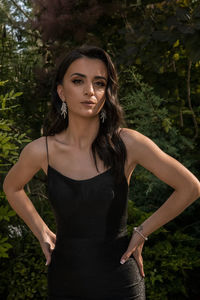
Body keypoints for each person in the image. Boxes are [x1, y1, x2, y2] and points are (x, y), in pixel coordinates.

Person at [3, 45, 200, 300]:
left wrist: (142, 232)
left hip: (120, 284)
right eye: (78, 81)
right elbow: (11, 186)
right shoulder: (41, 151)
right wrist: (40, 231)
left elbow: (190, 187)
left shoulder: (128, 144)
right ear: (61, 91)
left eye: (99, 83)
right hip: (64, 282)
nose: (89, 91)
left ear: (107, 92)